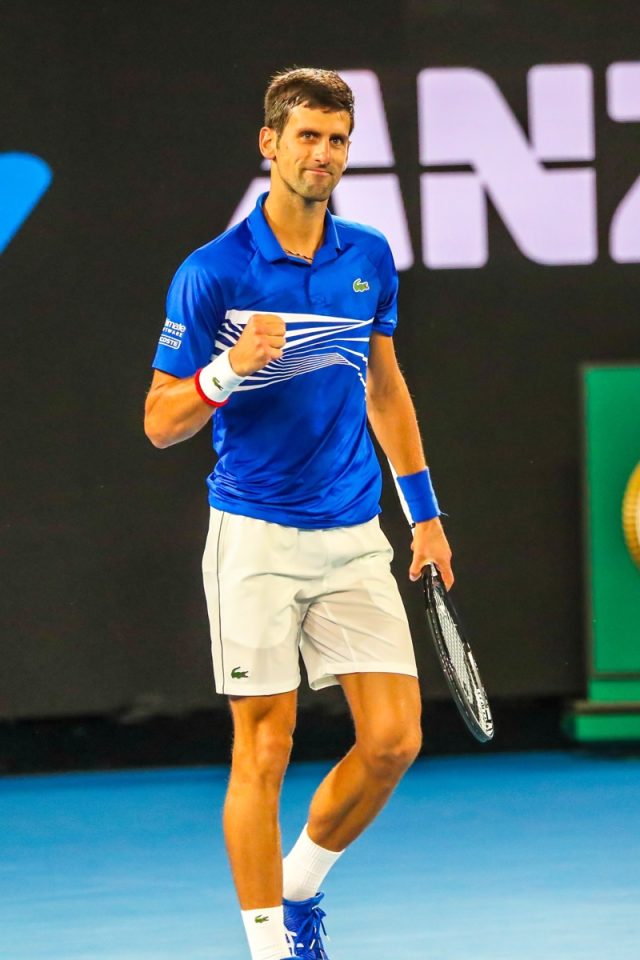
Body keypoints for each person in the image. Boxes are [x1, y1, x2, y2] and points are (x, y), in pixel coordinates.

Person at [144, 67, 453, 960]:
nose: (322, 154)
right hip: (255, 538)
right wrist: (226, 370)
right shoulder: (213, 273)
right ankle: (269, 947)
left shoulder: (367, 258)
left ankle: (301, 885)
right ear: (269, 144)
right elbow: (162, 422)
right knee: (265, 749)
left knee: (394, 740)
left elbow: (385, 389)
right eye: (306, 136)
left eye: (338, 139)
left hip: (356, 532)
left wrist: (423, 514)